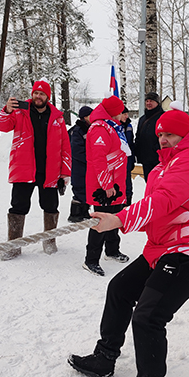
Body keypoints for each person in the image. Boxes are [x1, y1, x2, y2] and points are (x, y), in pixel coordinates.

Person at [69, 109, 189, 377]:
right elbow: (158, 210)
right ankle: (104, 359)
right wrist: (119, 212)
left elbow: (164, 201)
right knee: (120, 289)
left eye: (170, 134)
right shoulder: (161, 167)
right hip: (164, 248)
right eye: (160, 134)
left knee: (148, 317)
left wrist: (120, 220)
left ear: (185, 134)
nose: (163, 139)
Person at [0, 80, 71, 260]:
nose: (38, 96)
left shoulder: (57, 117)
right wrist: (6, 111)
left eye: (42, 94)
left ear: (47, 97)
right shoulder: (20, 112)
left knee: (51, 206)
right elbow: (1, 126)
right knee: (18, 206)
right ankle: (13, 245)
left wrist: (65, 171)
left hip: (49, 171)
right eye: (36, 93)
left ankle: (49, 241)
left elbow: (65, 147)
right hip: (24, 169)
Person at [83, 95, 131, 276]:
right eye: (120, 111)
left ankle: (112, 250)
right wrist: (106, 184)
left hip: (115, 183)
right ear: (113, 112)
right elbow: (99, 159)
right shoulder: (100, 128)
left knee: (115, 217)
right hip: (104, 186)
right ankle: (91, 260)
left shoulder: (112, 126)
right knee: (100, 221)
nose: (122, 114)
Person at [68, 105, 93, 223]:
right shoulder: (77, 130)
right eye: (90, 115)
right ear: (84, 117)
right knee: (79, 188)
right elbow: (76, 150)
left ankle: (84, 210)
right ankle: (75, 213)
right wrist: (90, 158)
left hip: (87, 166)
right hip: (79, 166)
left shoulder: (89, 129)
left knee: (87, 188)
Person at [134, 91, 164, 181]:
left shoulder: (163, 117)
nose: (148, 103)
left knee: (159, 182)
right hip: (145, 158)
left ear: (157, 103)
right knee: (149, 181)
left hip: (159, 158)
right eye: (147, 101)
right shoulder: (142, 119)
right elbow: (138, 136)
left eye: (151, 101)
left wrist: (157, 148)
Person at [119, 106, 135, 205]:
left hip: (128, 160)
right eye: (124, 114)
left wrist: (132, 159)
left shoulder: (129, 126)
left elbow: (131, 144)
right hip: (118, 161)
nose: (126, 116)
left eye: (127, 114)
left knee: (128, 185)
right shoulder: (115, 126)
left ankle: (128, 204)